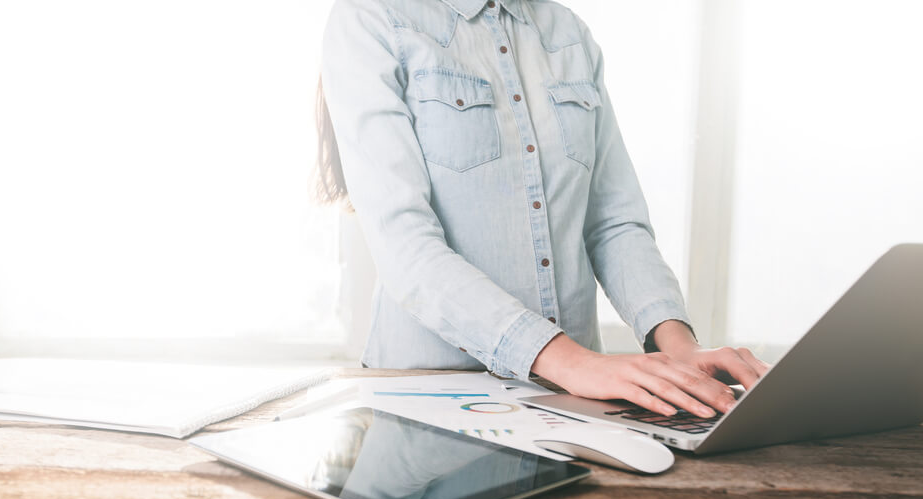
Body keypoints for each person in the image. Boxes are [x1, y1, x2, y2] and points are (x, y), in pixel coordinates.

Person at [315, 0, 769, 418]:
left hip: (572, 403)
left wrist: (678, 347)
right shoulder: (370, 18)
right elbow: (405, 248)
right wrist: (573, 363)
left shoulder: (569, 34)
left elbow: (613, 223)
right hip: (427, 399)